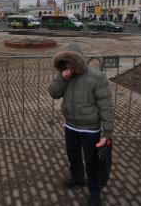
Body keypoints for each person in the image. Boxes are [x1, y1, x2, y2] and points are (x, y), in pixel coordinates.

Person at [49, 43, 114, 206]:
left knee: (91, 161)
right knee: (73, 154)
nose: (69, 66)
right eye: (66, 62)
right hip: (70, 125)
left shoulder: (96, 76)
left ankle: (94, 191)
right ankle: (78, 178)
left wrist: (107, 133)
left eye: (72, 62)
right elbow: (54, 93)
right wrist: (61, 78)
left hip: (90, 129)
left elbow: (105, 105)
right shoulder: (65, 76)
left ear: (79, 60)